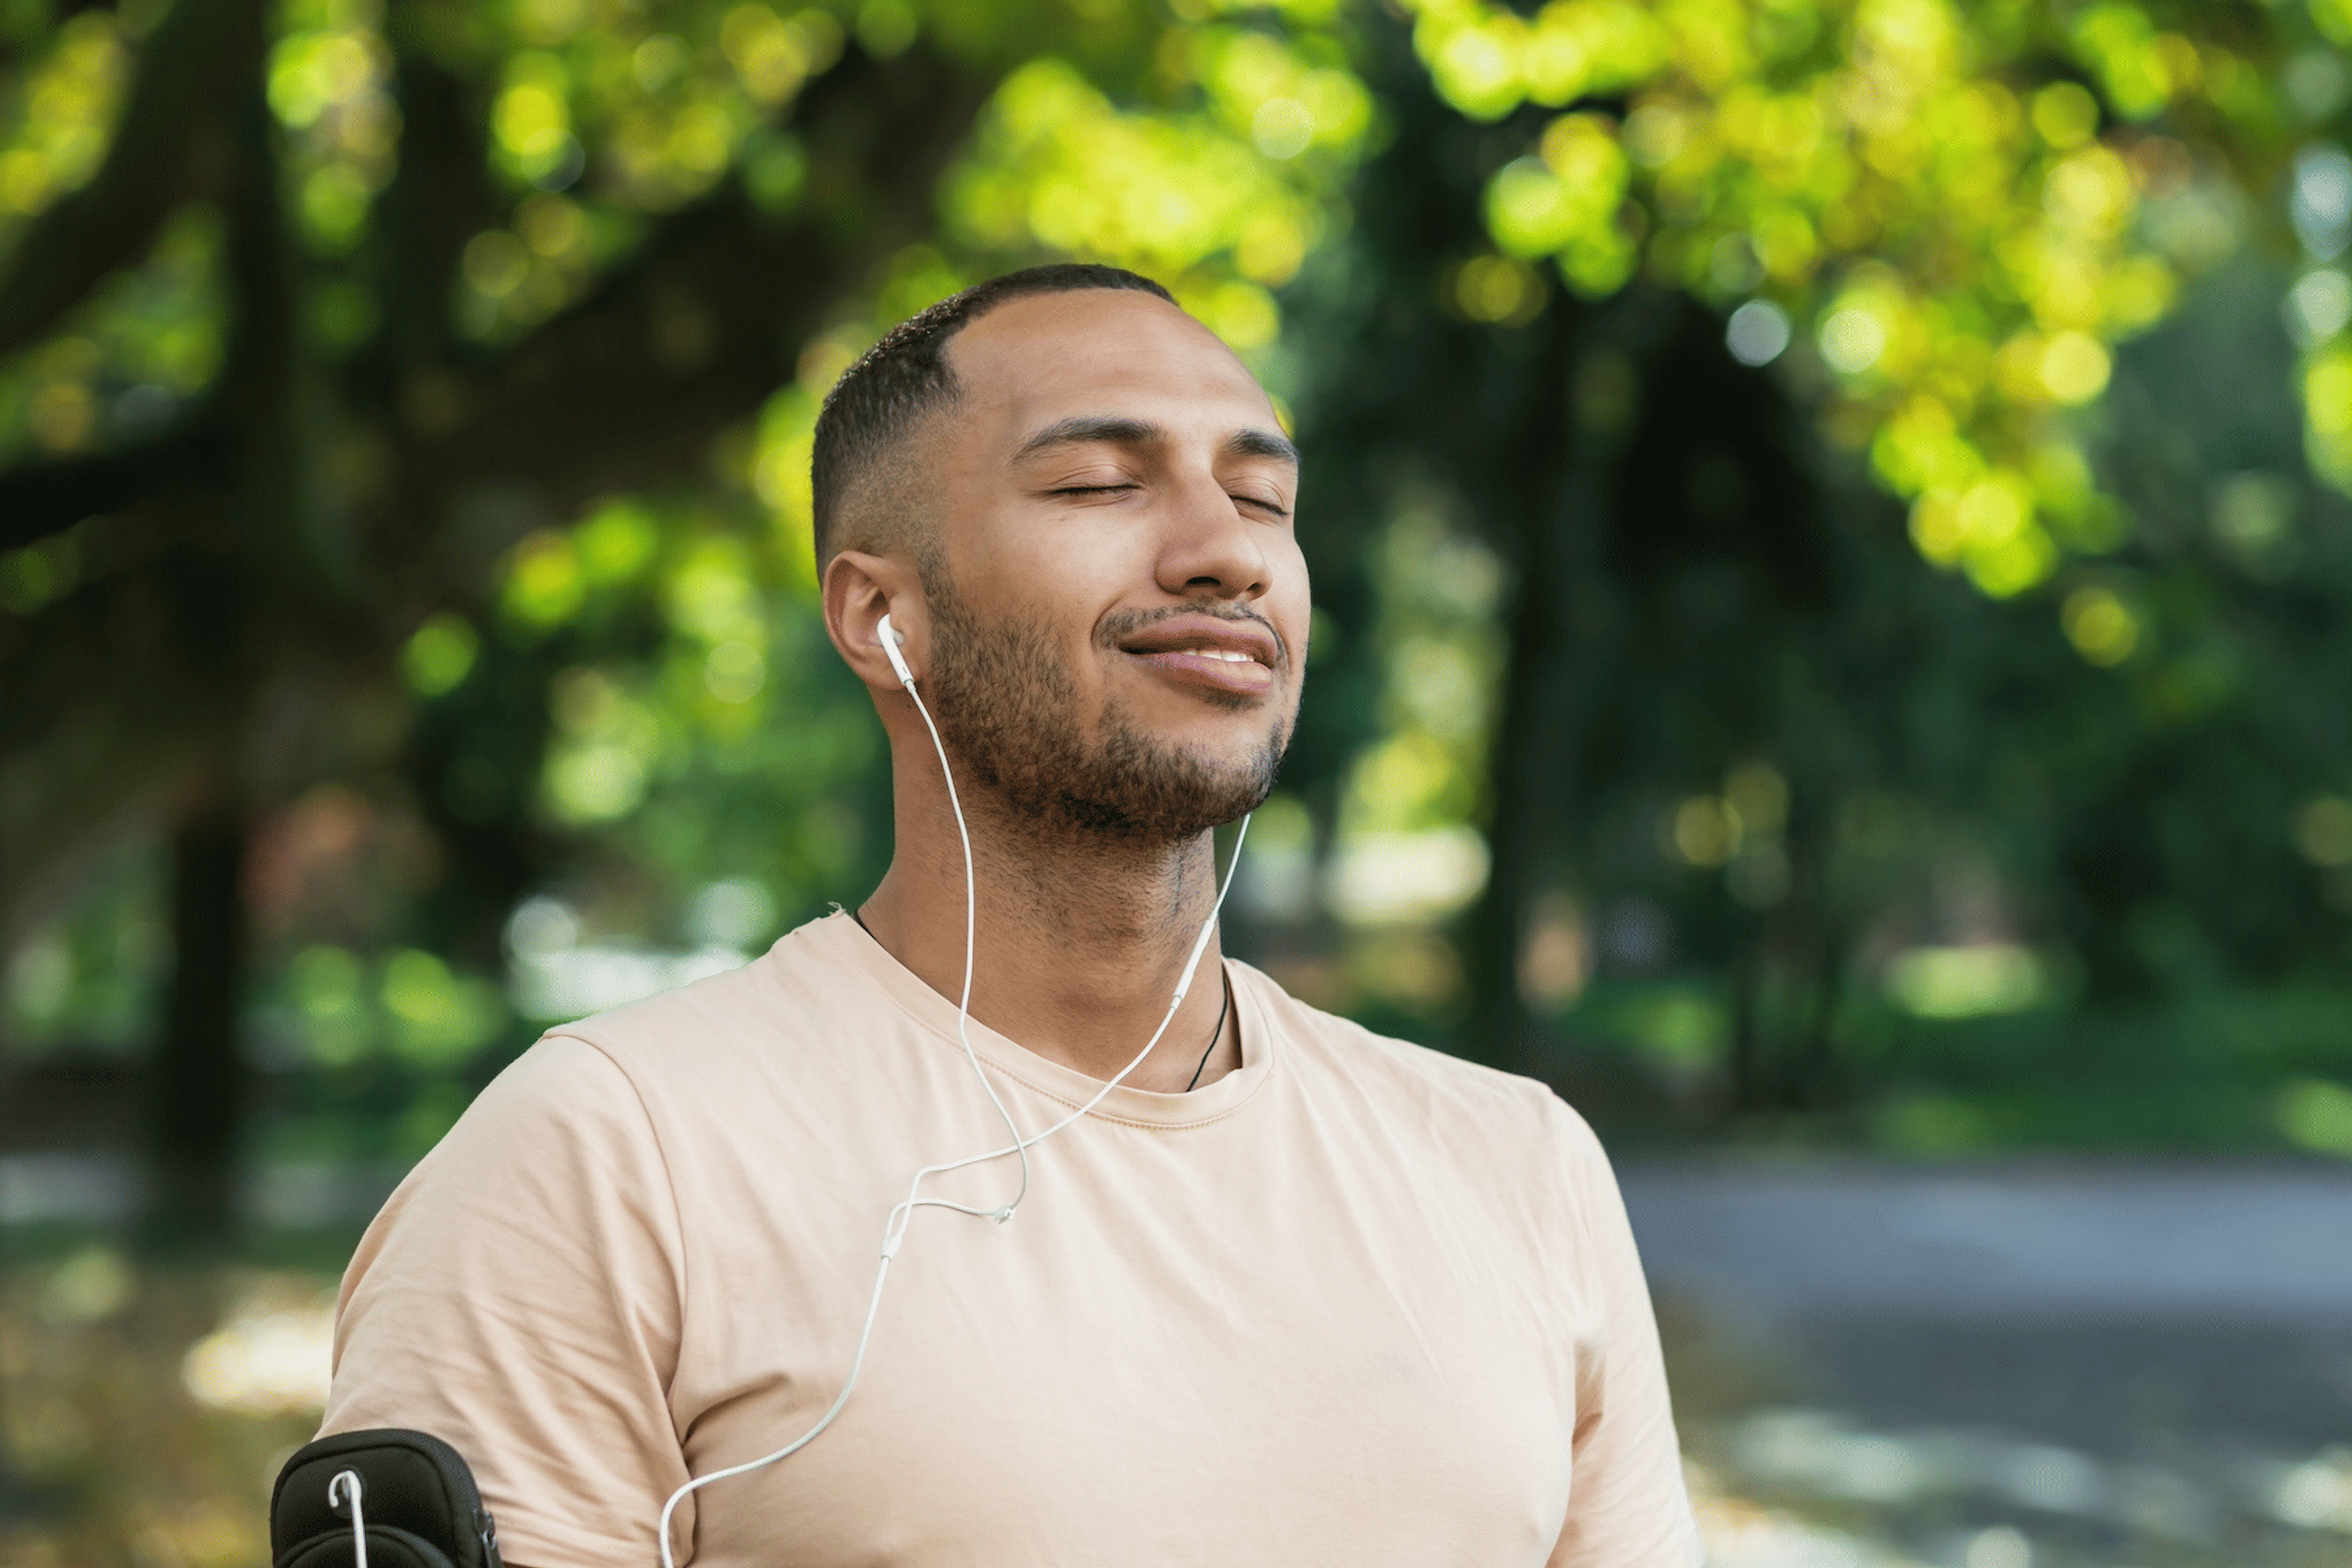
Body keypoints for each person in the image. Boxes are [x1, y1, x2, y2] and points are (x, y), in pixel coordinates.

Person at [318, 263, 1703, 1567]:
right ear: (880, 616)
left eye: (1266, 501)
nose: (1226, 551)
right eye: (1102, 481)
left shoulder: (1523, 1170)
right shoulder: (608, 1156)